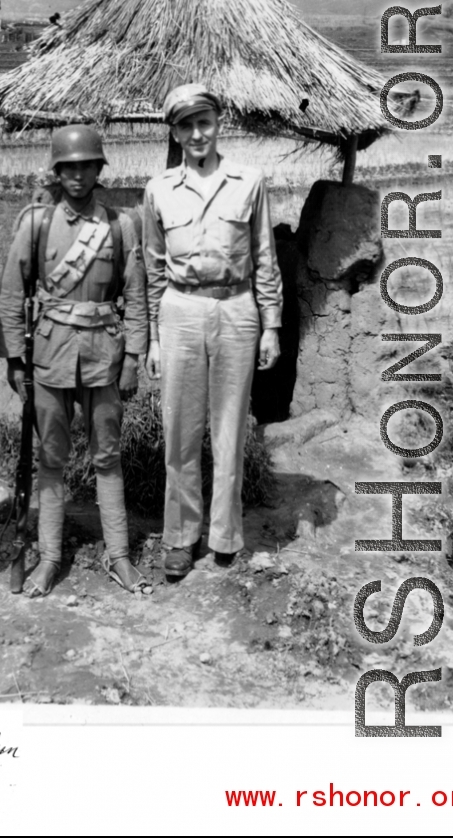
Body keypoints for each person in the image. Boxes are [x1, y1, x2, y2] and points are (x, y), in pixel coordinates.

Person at [0, 125, 149, 597]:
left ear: (99, 170)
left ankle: (119, 556)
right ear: (57, 172)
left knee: (107, 458)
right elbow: (10, 292)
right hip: (50, 355)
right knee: (51, 460)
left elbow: (137, 296)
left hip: (104, 355)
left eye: (86, 166)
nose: (78, 175)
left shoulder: (121, 225)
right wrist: (16, 360)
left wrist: (133, 359)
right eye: (69, 167)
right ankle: (50, 559)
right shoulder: (37, 223)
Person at [144, 84, 283, 578]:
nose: (197, 133)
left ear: (218, 123)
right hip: (180, 311)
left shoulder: (249, 181)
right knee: (180, 431)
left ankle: (225, 535)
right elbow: (153, 269)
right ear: (175, 133)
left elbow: (265, 257)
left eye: (204, 122)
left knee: (229, 430)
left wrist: (272, 325)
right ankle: (180, 537)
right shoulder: (158, 189)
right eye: (186, 125)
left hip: (236, 309)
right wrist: (155, 339)